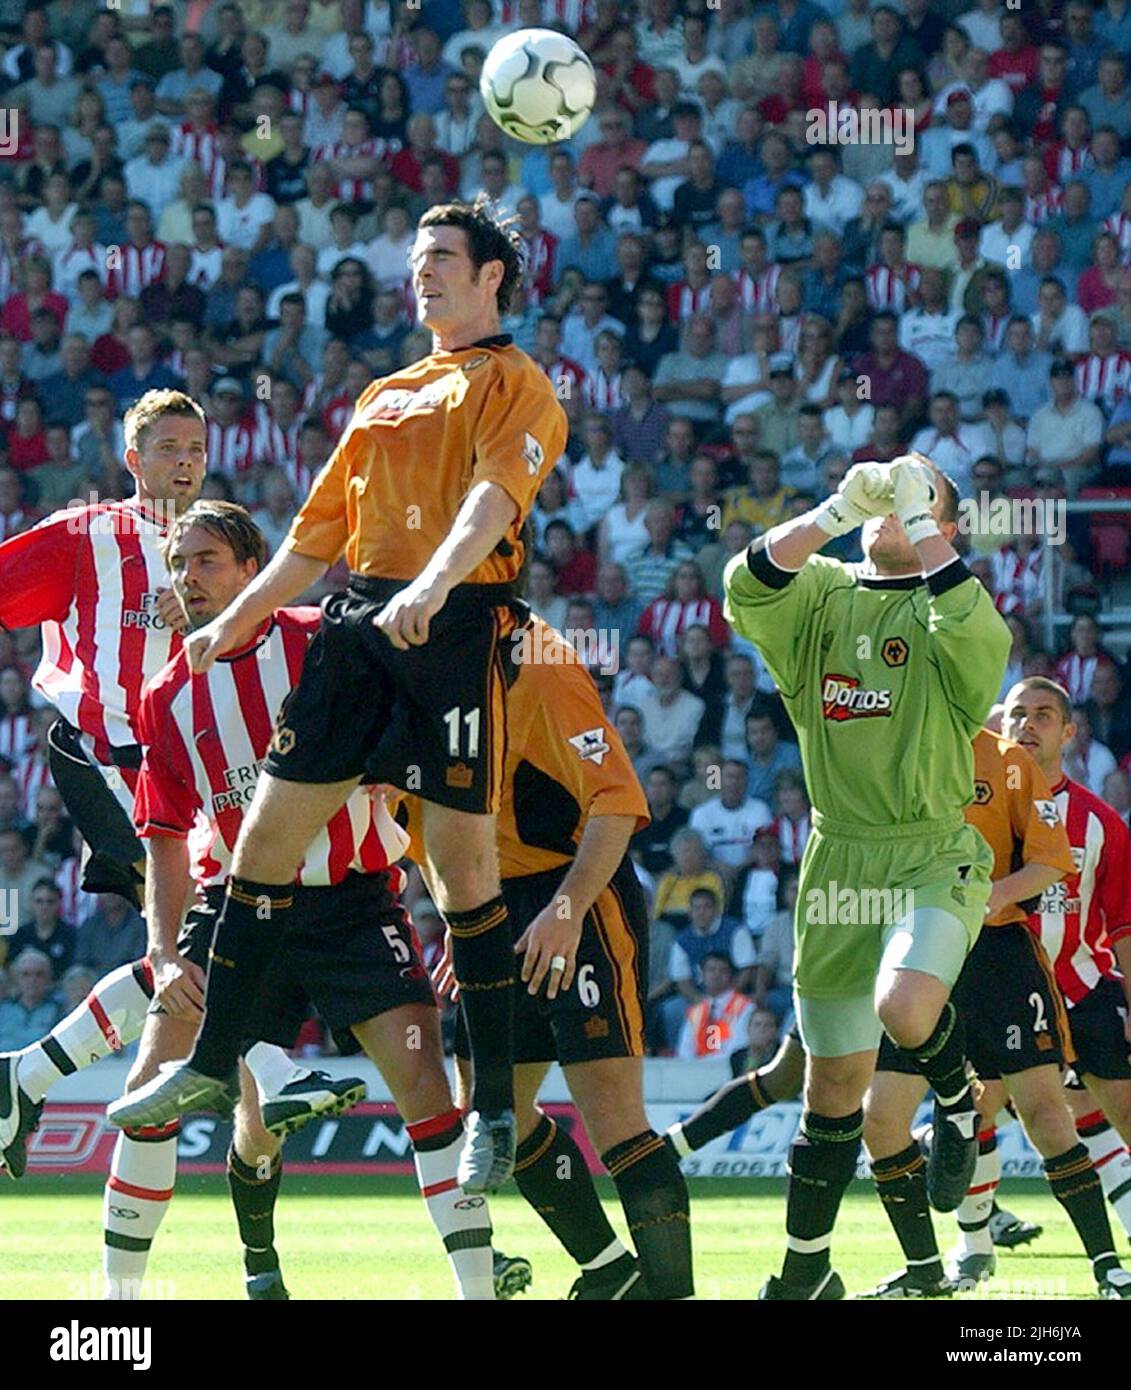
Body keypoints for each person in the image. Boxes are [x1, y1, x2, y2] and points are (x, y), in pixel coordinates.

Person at [108, 202, 569, 1195]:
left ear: (492, 277)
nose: (422, 272)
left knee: (461, 876)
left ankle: (491, 1108)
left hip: (452, 625)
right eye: (416, 258)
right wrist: (239, 618)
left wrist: (434, 584)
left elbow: (494, 504)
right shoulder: (383, 396)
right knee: (260, 847)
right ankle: (206, 1066)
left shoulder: (517, 384)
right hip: (364, 625)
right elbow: (315, 538)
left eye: (442, 256)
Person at [724, 452, 1011, 1300]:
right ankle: (804, 1271)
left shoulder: (947, 608)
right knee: (833, 1089)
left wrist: (919, 526)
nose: (897, 507)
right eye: (892, 496)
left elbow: (978, 633)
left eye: (921, 502)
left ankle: (957, 1103)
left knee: (905, 1006)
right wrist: (836, 507)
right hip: (835, 857)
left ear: (945, 529)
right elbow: (745, 585)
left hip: (930, 850)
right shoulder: (822, 592)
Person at [419, 616, 693, 1300]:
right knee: (490, 1108)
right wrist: (462, 922)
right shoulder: (407, 662)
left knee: (610, 1112)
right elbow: (416, 817)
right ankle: (609, 1271)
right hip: (484, 899)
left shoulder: (539, 660)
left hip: (575, 885)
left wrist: (566, 911)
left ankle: (671, 1293)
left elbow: (616, 803)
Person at [862, 727, 1108, 1298]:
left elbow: (1051, 860)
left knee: (1048, 1115)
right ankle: (927, 1273)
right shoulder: (891, 746)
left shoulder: (1007, 758)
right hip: (916, 951)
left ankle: (1107, 1267)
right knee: (880, 1120)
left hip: (998, 955)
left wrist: (992, 895)